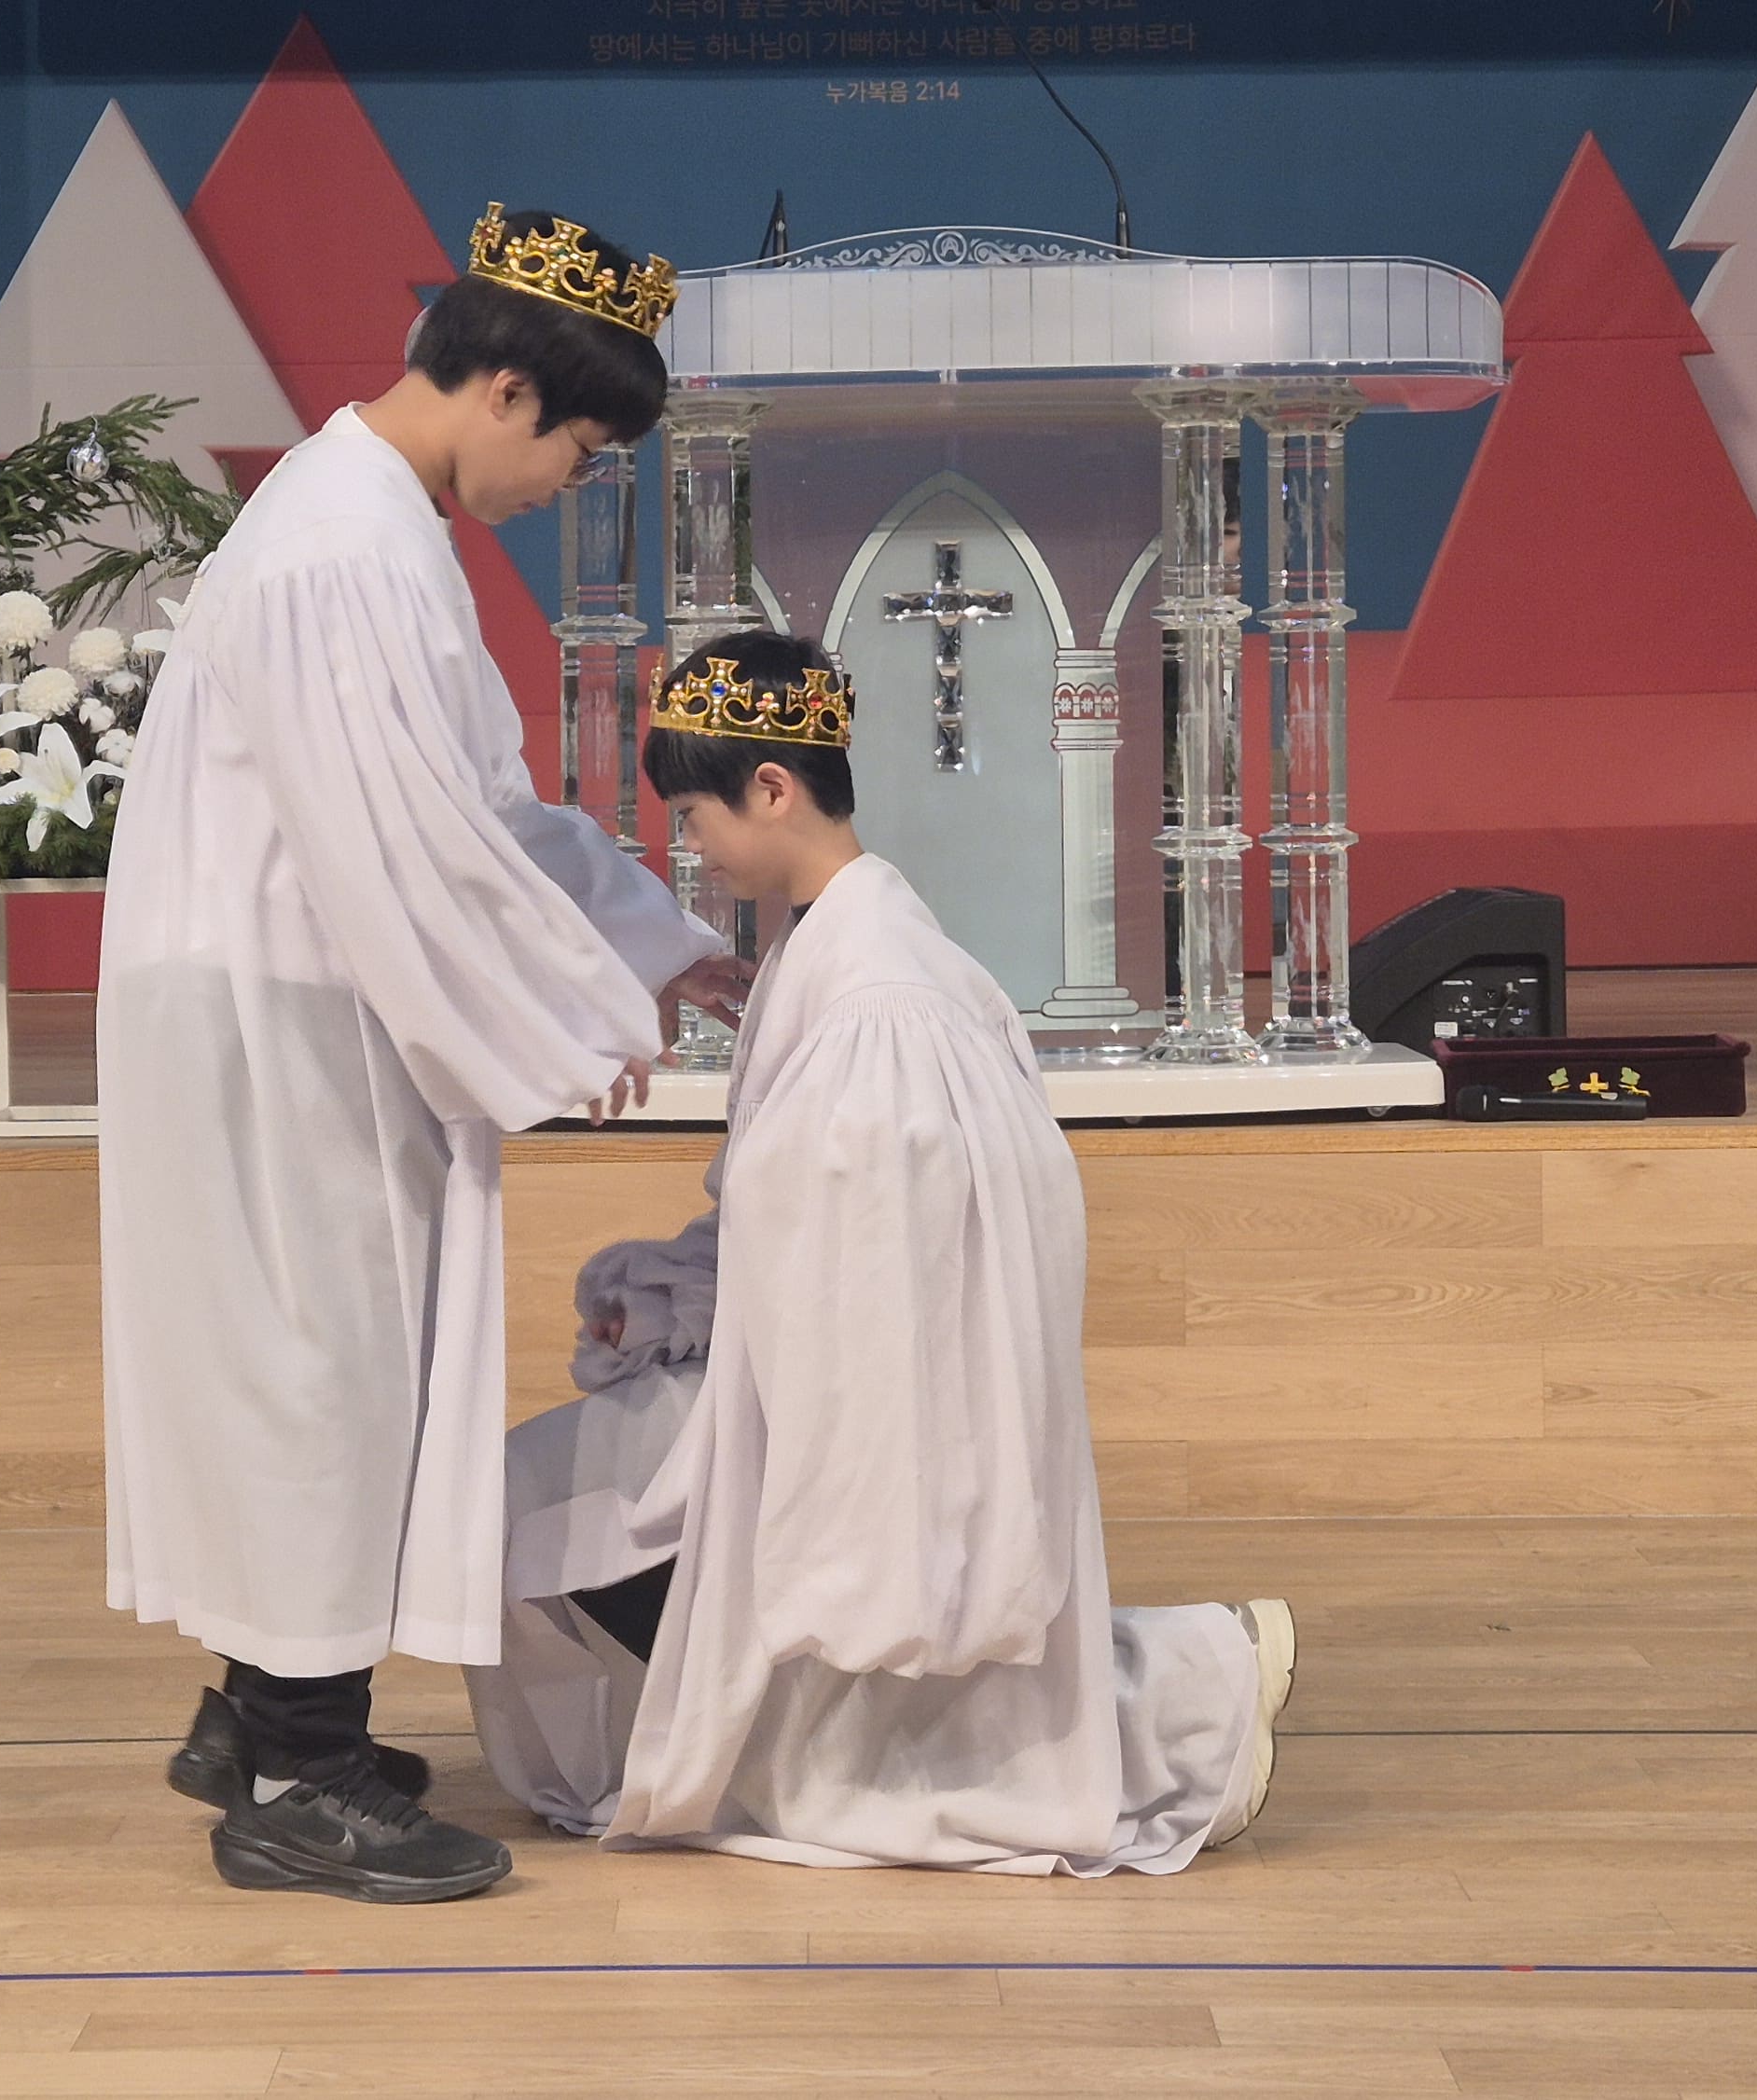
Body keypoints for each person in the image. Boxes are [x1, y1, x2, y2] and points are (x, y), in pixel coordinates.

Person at [98, 206, 746, 1903]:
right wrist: (563, 1008)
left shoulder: (369, 520)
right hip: (275, 1012)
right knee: (316, 1367)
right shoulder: (343, 544)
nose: (565, 491)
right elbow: (402, 842)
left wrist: (651, 945)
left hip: (302, 999)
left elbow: (476, 813)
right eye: (580, 456)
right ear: (508, 391)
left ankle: (259, 1718)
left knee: (326, 1359)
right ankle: (298, 1781)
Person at [463, 630, 1295, 1875]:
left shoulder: (881, 999)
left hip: (847, 1405)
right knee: (517, 1508)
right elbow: (792, 1231)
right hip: (782, 1375)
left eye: (693, 815)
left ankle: (1187, 1686)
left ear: (772, 789)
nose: (689, 847)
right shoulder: (833, 950)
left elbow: (882, 1285)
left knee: (583, 1550)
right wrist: (677, 1306)